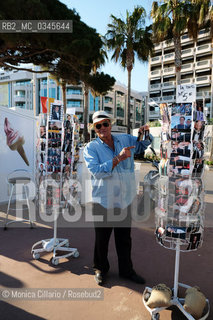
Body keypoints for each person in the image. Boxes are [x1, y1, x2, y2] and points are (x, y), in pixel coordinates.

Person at [84, 111, 152, 285]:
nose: (102, 128)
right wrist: (119, 158)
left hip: (124, 199)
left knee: (124, 239)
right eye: (98, 126)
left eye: (105, 124)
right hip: (103, 200)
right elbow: (97, 172)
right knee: (102, 240)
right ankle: (100, 268)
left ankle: (127, 271)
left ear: (110, 124)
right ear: (94, 128)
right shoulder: (91, 148)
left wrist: (145, 132)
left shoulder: (124, 138)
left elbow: (142, 146)